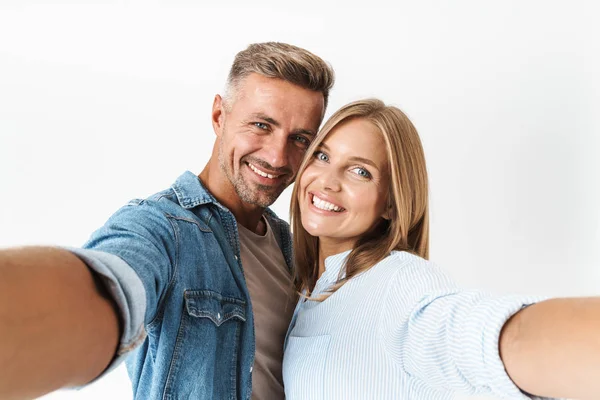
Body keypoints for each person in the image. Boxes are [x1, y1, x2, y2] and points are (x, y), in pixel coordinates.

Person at [0, 42, 334, 400]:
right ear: (219, 116)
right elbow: (110, 286)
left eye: (300, 139)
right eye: (261, 125)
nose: (277, 156)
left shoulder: (295, 245)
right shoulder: (162, 228)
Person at [283, 98, 600, 400]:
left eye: (360, 171)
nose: (327, 181)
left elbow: (479, 336)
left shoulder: (397, 280)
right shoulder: (301, 283)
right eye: (322, 156)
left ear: (391, 204)